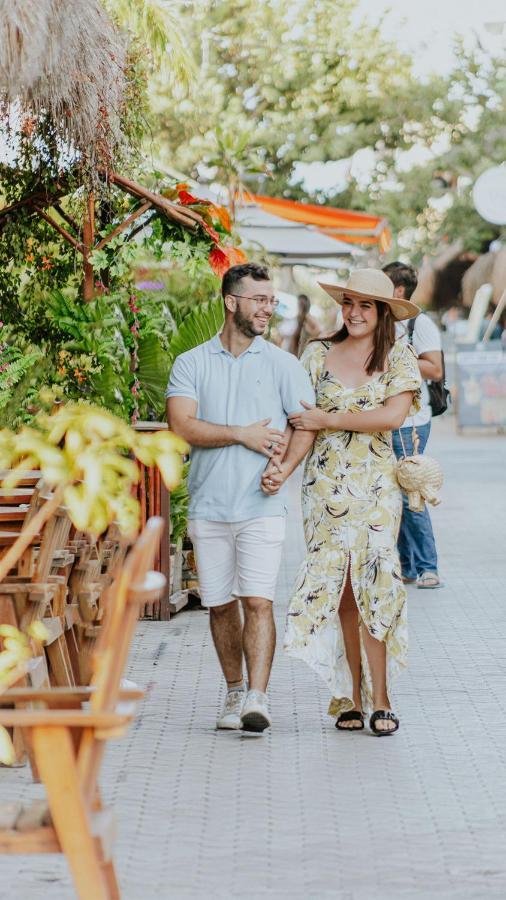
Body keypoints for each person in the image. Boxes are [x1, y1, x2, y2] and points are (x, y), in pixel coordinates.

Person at [261, 268, 421, 735]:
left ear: (383, 311)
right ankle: (351, 694)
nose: (353, 312)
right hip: (324, 487)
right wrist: (283, 470)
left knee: (376, 582)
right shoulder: (316, 354)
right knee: (342, 591)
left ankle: (383, 700)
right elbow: (300, 424)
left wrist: (326, 417)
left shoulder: (397, 356)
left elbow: (391, 416)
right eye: (348, 302)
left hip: (375, 489)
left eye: (365, 305)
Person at [166, 263, 315, 734]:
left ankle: (257, 696)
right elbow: (182, 424)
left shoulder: (283, 364)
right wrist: (243, 436)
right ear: (232, 302)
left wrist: (285, 467)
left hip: (262, 508)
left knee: (257, 601)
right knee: (219, 604)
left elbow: (304, 424)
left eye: (272, 300)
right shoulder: (191, 363)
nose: (268, 308)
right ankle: (232, 690)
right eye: (259, 300)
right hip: (208, 506)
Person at [383, 262, 443, 589]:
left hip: (412, 421)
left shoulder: (420, 323)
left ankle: (428, 566)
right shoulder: (385, 322)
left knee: (411, 491)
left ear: (399, 290)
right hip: (390, 416)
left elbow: (434, 368)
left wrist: (391, 357)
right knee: (396, 493)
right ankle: (407, 566)